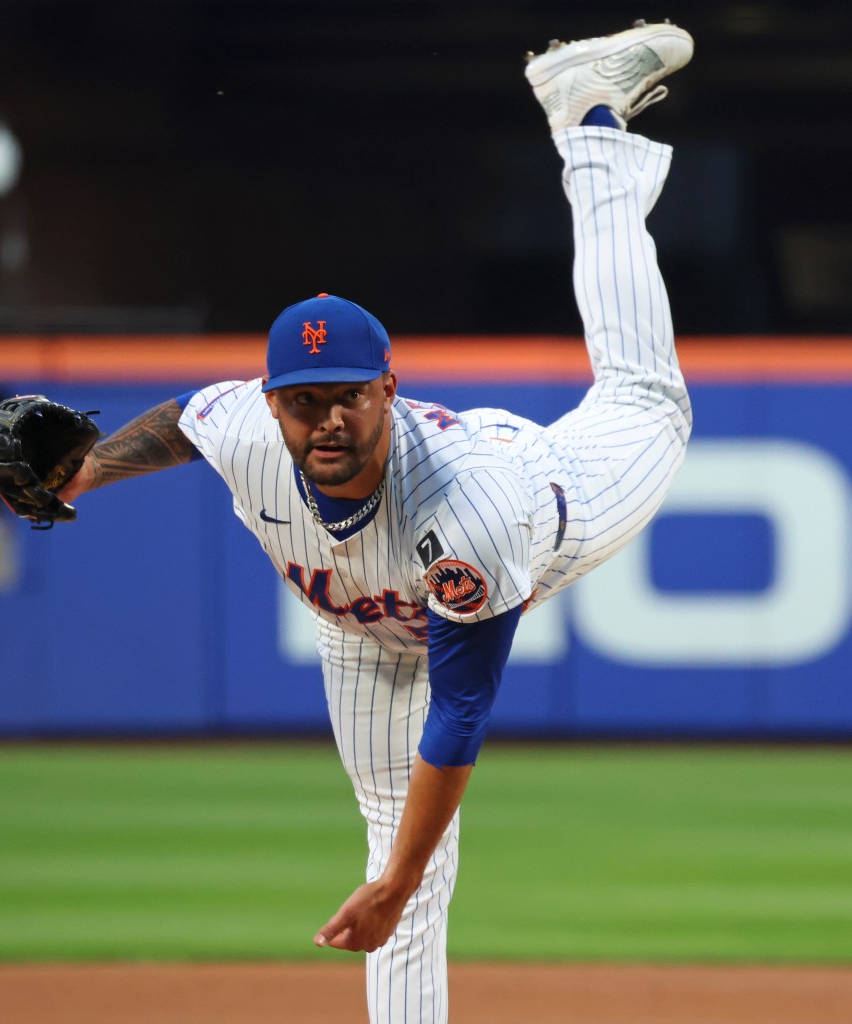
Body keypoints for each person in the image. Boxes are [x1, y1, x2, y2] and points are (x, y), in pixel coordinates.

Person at [59, 19, 694, 1023]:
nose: (329, 417)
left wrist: (399, 877)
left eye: (350, 393)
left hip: (542, 495)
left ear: (388, 388)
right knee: (394, 850)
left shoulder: (472, 518)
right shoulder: (243, 425)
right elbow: (181, 421)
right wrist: (80, 475)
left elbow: (463, 708)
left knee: (650, 398)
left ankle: (589, 125)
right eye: (305, 399)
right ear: (273, 403)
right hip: (360, 626)